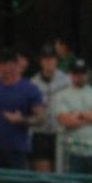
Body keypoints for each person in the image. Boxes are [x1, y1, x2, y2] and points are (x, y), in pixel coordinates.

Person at [55, 57, 92, 174]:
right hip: (73, 153)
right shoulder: (61, 95)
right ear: (70, 74)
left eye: (83, 72)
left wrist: (80, 115)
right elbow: (66, 121)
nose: (80, 76)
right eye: (76, 73)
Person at [29, 43, 72, 173]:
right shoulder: (33, 82)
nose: (49, 62)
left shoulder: (66, 80)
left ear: (56, 61)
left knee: (61, 173)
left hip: (61, 133)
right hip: (40, 133)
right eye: (45, 59)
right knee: (43, 175)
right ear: (41, 61)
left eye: (52, 58)